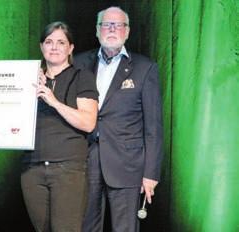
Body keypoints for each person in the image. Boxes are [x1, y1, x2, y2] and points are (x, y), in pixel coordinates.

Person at [73, 6, 164, 232]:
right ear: (97, 30)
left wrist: (151, 174)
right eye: (106, 24)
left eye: (118, 25)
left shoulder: (145, 68)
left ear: (127, 31)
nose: (112, 29)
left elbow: (154, 127)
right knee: (85, 227)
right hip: (86, 161)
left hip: (128, 165)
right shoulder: (78, 63)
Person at [21, 21, 98, 232]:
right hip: (32, 169)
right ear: (41, 47)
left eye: (61, 42)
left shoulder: (82, 77)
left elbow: (89, 123)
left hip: (68, 169)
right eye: (49, 42)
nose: (54, 47)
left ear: (70, 48)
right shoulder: (27, 79)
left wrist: (53, 101)